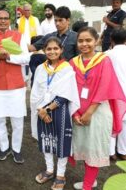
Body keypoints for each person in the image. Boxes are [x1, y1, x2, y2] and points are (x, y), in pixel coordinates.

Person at [70, 27, 126, 190]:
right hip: (78, 112)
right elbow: (69, 89)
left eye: (88, 40)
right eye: (81, 40)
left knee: (93, 149)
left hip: (98, 111)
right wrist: (75, 113)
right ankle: (90, 180)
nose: (84, 44)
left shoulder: (104, 60)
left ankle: (88, 185)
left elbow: (104, 88)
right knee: (82, 146)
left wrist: (89, 112)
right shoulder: (73, 62)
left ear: (97, 41)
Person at [0, 9, 31, 163]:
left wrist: (8, 56)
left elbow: (26, 58)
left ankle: (16, 149)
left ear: (10, 20)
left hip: (16, 84)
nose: (2, 21)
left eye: (5, 18)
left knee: (17, 119)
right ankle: (3, 147)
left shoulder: (18, 36)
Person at [31, 37, 80, 190]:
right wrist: (40, 110)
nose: (52, 51)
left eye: (55, 49)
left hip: (59, 110)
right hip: (41, 110)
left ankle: (60, 174)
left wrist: (47, 110)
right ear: (44, 50)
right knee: (46, 140)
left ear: (61, 50)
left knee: (61, 142)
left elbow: (66, 94)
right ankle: (49, 170)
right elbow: (35, 91)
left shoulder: (67, 68)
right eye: (49, 49)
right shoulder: (40, 68)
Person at [107, 28, 126, 161]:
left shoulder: (106, 54)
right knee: (125, 122)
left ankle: (110, 151)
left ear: (112, 40)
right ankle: (123, 151)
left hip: (111, 93)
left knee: (111, 121)